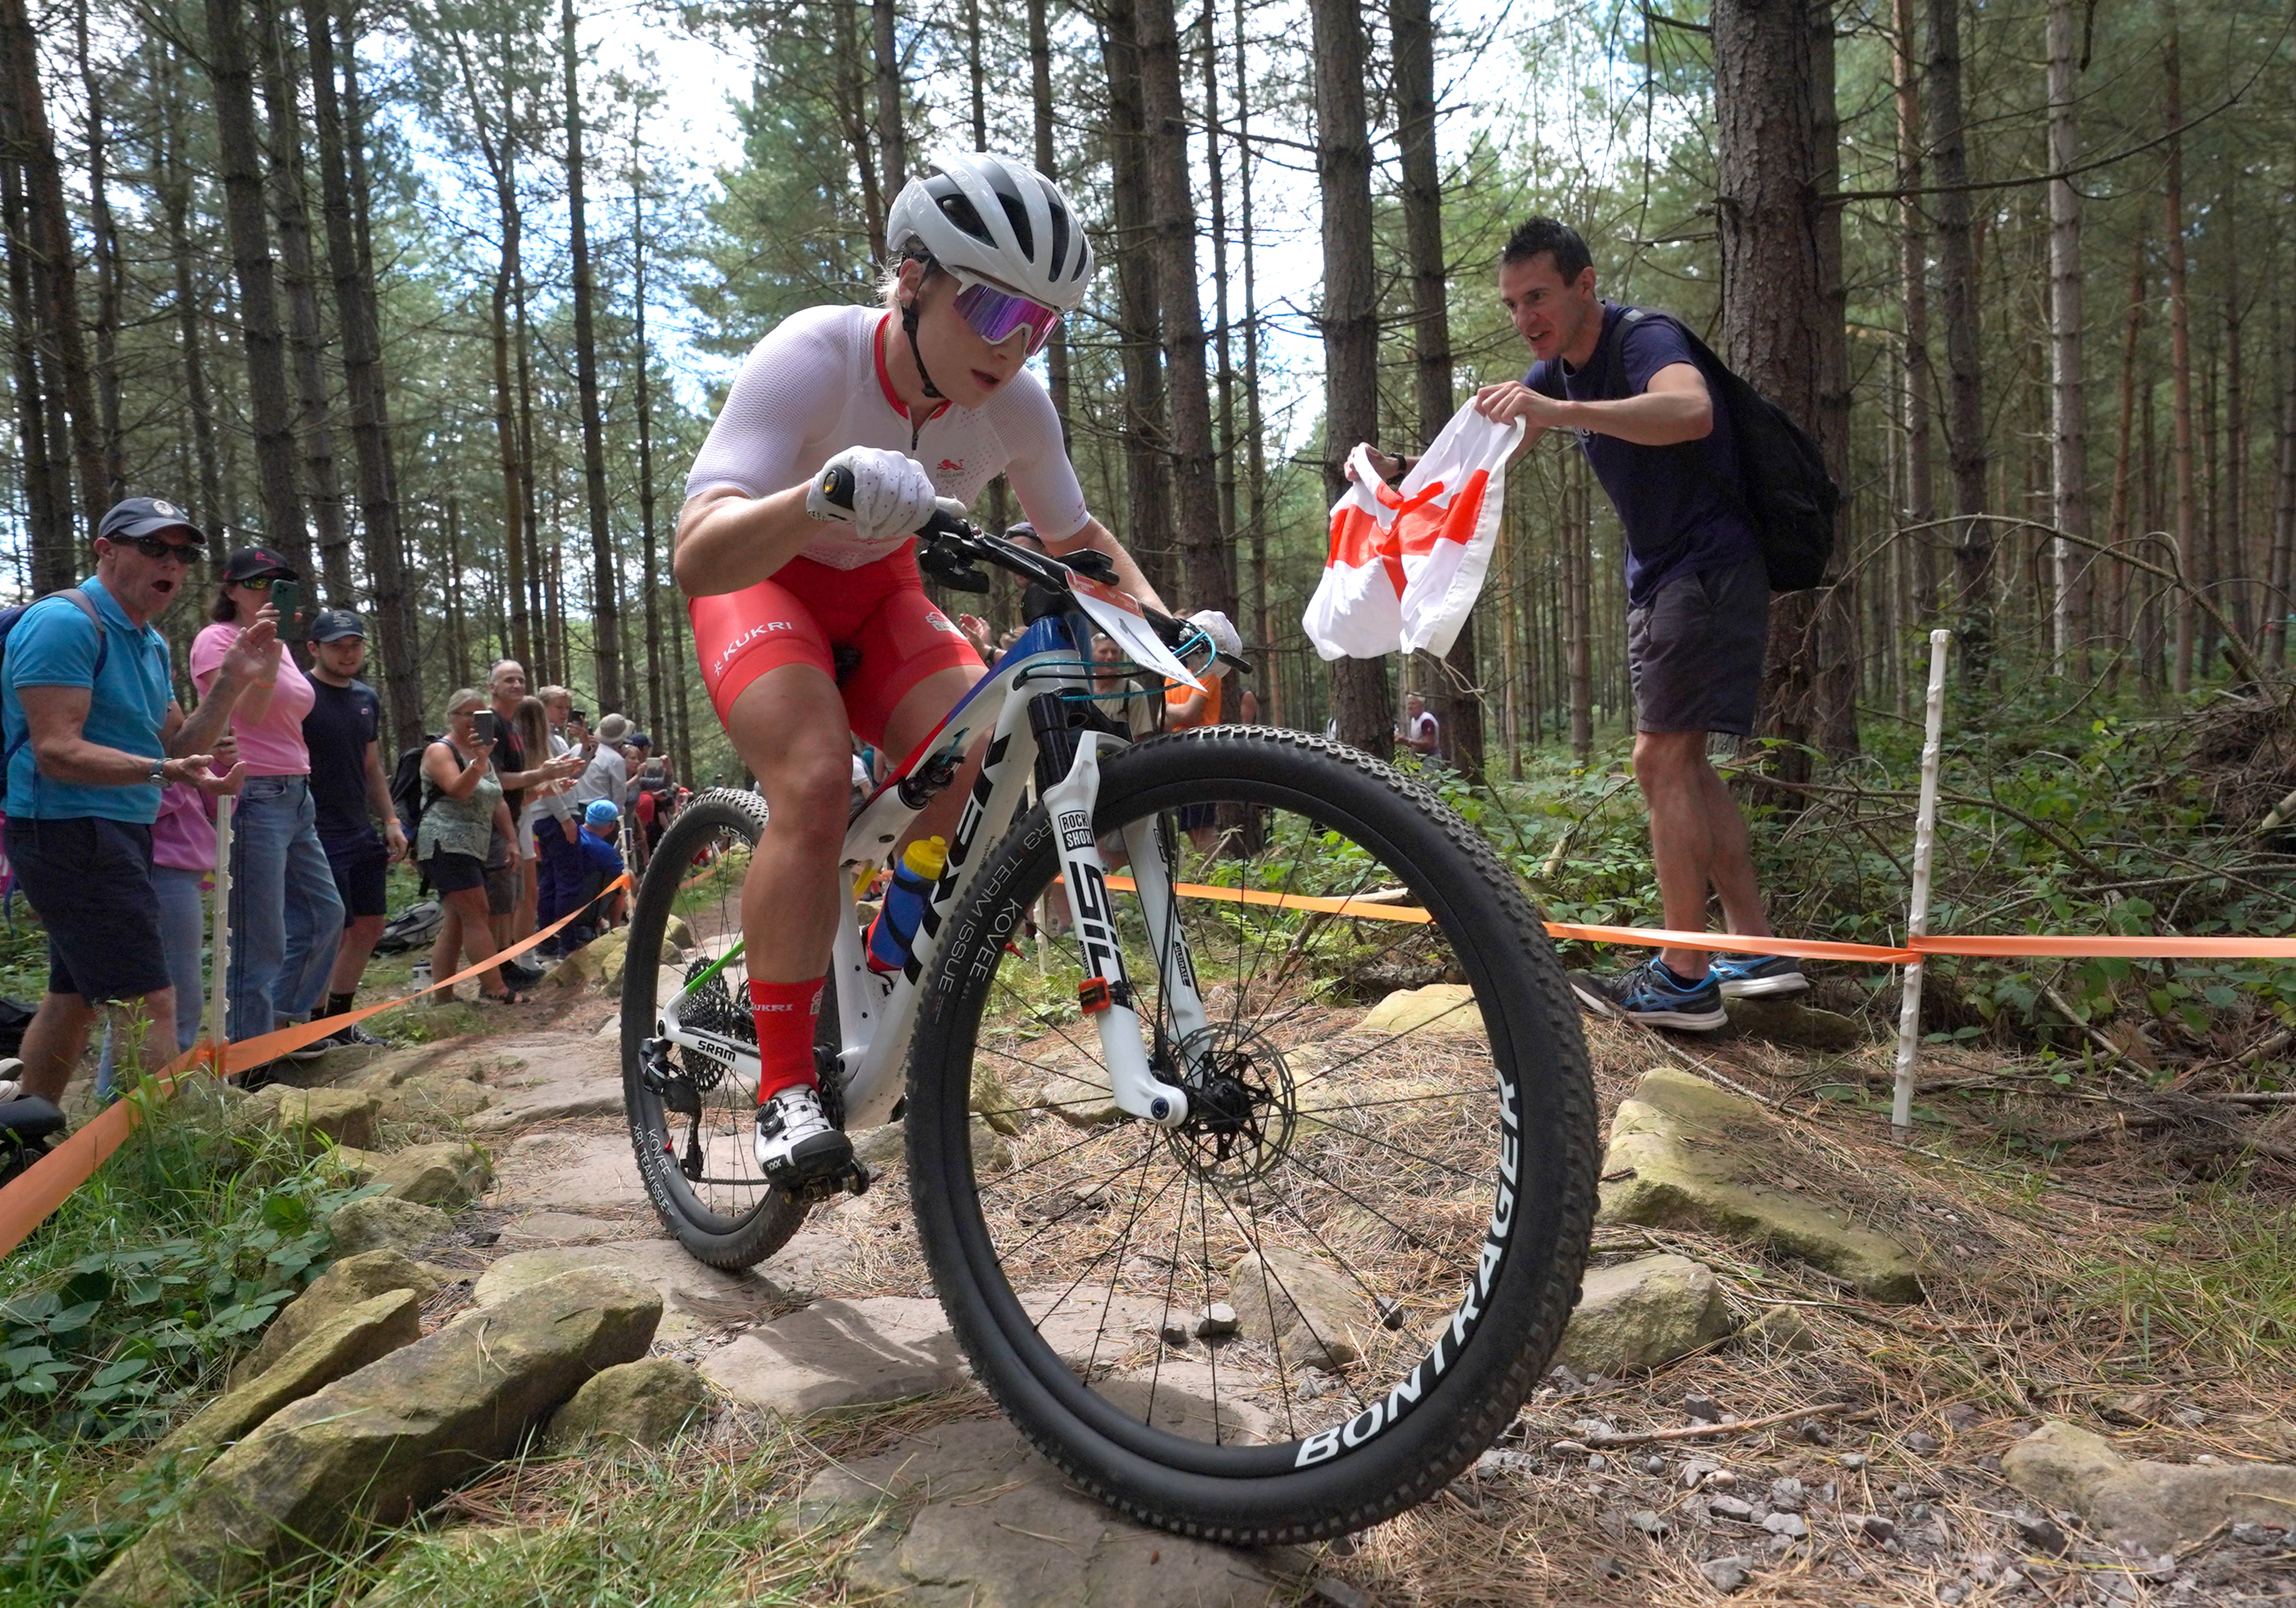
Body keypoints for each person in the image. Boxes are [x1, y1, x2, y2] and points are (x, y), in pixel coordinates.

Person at [675, 151, 1233, 1184]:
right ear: (912, 277)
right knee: (805, 775)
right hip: (765, 582)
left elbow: (1078, 542)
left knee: (980, 751)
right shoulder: (815, 355)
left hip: (883, 595)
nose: (1013, 346)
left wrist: (1168, 629)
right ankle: (787, 1084)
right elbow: (698, 552)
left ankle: (886, 957)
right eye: (990, 309)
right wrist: (811, 500)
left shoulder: (1015, 408)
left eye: (1041, 325)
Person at [1460, 216, 1801, 1028]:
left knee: (1661, 759)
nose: (1525, 319)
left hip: (1706, 567)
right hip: (1664, 578)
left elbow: (1688, 412)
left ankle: (1685, 974)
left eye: (1537, 296)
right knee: (1681, 765)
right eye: (1512, 304)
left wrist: (1560, 409)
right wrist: (1403, 474)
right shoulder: (1558, 372)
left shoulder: (1643, 338)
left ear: (1584, 284)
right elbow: (1484, 453)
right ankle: (1755, 947)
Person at [0, 497, 252, 1103]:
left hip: (117, 828)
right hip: (67, 827)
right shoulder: (65, 623)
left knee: (75, 998)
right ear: (107, 550)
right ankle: (153, 1167)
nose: (171, 562)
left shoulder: (148, 641)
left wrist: (233, 680)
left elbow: (178, 744)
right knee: (151, 1002)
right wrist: (164, 769)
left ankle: (29, 1140)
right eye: (153, 547)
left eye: (183, 553)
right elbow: (57, 751)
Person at [193, 548, 346, 1059]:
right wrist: (263, 655)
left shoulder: (280, 648)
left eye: (280, 581)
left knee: (325, 914)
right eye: (258, 582)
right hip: (252, 791)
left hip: (296, 790)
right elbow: (250, 715)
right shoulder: (217, 641)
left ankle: (282, 1027)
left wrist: (275, 651)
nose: (269, 590)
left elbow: (287, 715)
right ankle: (249, 1059)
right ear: (231, 588)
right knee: (260, 937)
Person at [300, 609, 408, 1046]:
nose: (347, 654)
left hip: (358, 825)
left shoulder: (367, 697)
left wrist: (391, 819)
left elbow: (371, 765)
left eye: (354, 646)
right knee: (331, 927)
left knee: (369, 923)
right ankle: (313, 1021)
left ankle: (341, 1020)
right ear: (314, 648)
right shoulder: (300, 692)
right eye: (336, 646)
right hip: (313, 827)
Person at [415, 689, 524, 1005]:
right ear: (451, 717)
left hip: (473, 846)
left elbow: (497, 799)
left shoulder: (482, 755)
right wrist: (477, 763)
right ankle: (496, 989)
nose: (474, 722)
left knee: (457, 920)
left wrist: (512, 840)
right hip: (444, 842)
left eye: (481, 716)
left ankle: (444, 996)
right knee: (478, 913)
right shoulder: (441, 751)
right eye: (467, 714)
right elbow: (458, 790)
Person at [483, 660, 581, 986]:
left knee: (525, 895)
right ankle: (497, 976)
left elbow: (514, 792)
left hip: (515, 819)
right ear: (491, 687)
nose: (516, 685)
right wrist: (542, 778)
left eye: (521, 679)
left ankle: (514, 962)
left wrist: (545, 786)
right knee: (499, 905)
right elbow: (488, 781)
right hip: (490, 825)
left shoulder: (512, 728)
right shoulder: (488, 722)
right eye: (508, 680)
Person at [560, 798, 629, 951]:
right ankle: (615, 929)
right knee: (623, 881)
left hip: (562, 903)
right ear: (611, 826)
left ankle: (602, 923)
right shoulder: (601, 849)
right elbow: (626, 876)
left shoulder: (571, 835)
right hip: (584, 909)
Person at [1398, 691, 1440, 760]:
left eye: (1413, 704)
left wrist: (1408, 740)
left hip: (1431, 758)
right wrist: (1402, 741)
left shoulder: (1427, 720)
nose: (1410, 707)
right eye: (1409, 704)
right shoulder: (1414, 720)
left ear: (1422, 705)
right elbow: (1416, 744)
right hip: (1419, 759)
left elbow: (1428, 744)